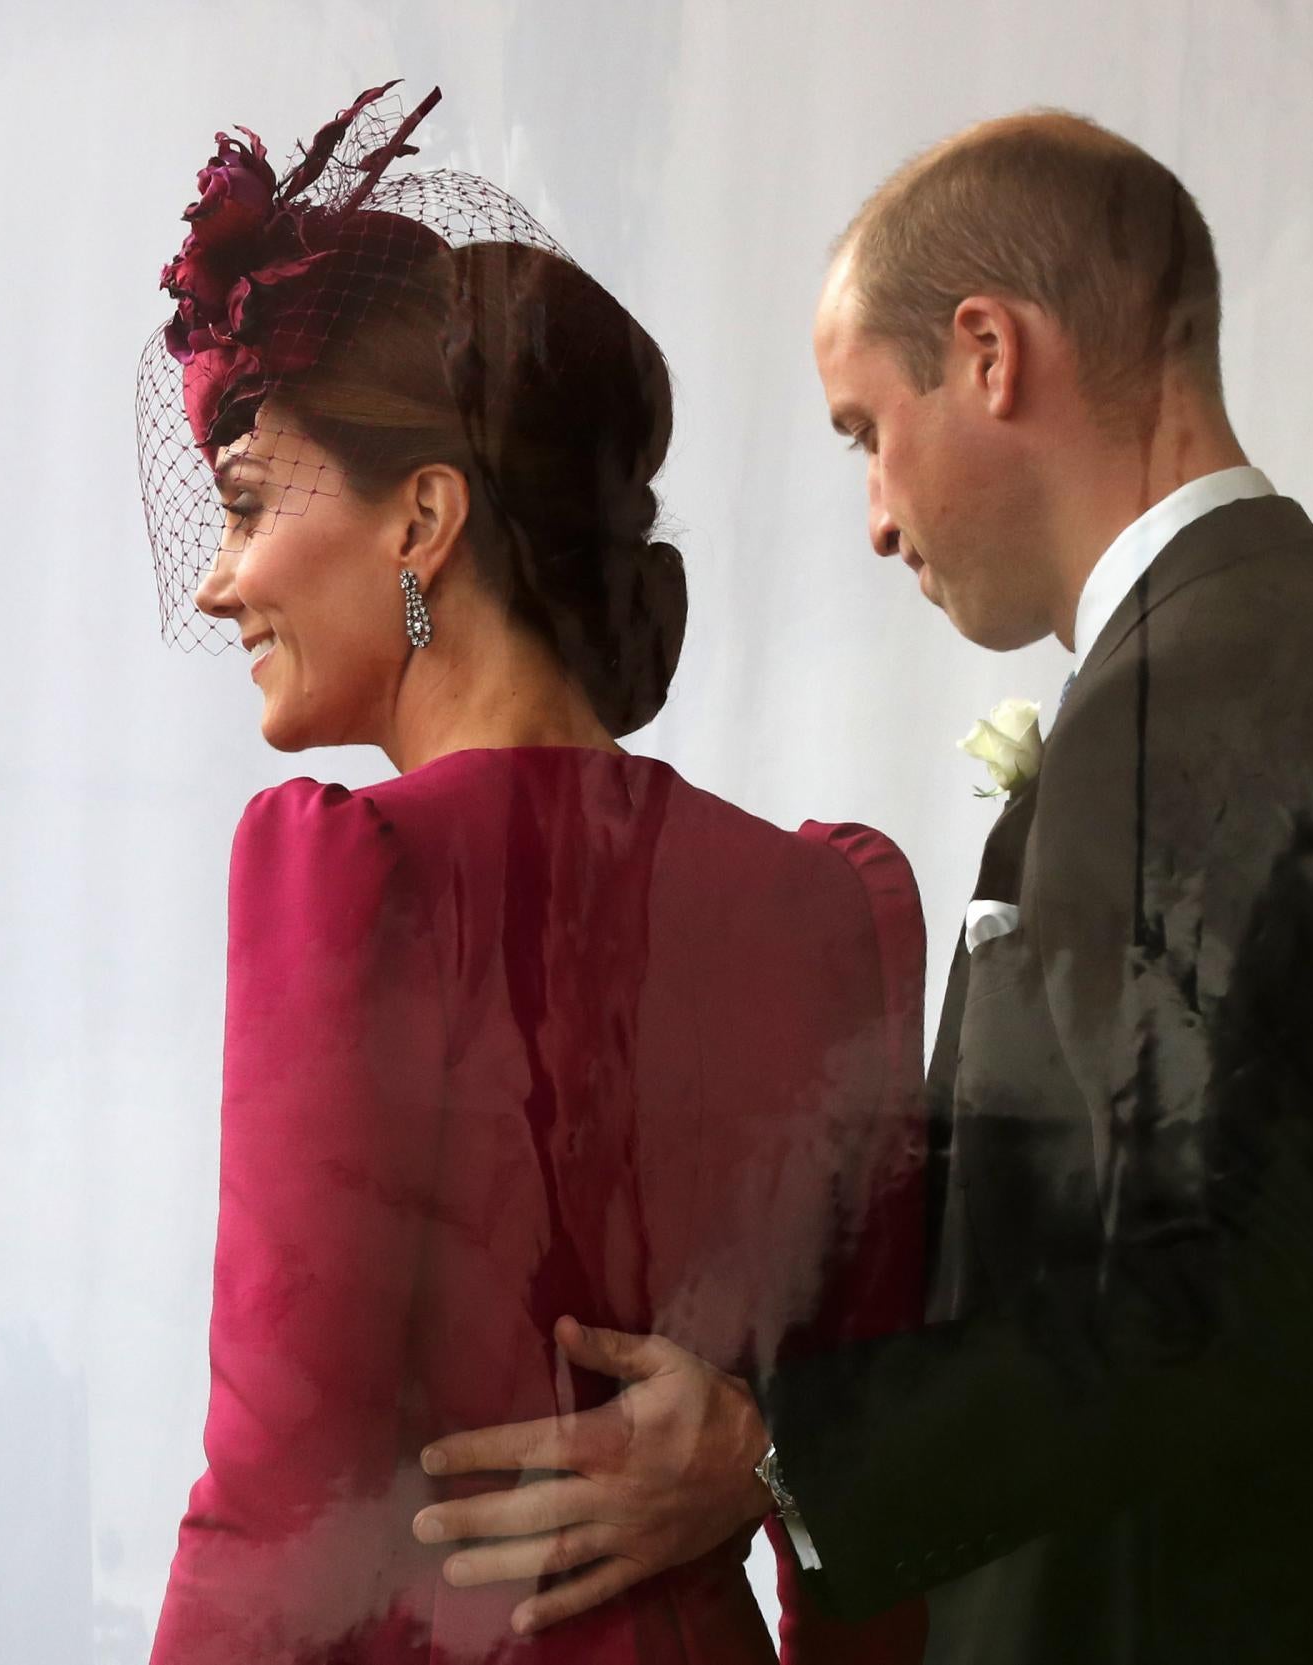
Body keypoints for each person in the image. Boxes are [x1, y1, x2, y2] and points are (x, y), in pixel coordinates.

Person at [416, 110, 1313, 1665]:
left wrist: (773, 1450)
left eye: (864, 430)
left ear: (989, 353)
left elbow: (1218, 1289)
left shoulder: (1180, 716)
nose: (879, 517)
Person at [135, 83, 932, 1664]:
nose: (219, 583)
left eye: (243, 507)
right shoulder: (841, 906)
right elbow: (872, 1526)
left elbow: (284, 1499)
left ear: (423, 517)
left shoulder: (345, 880)